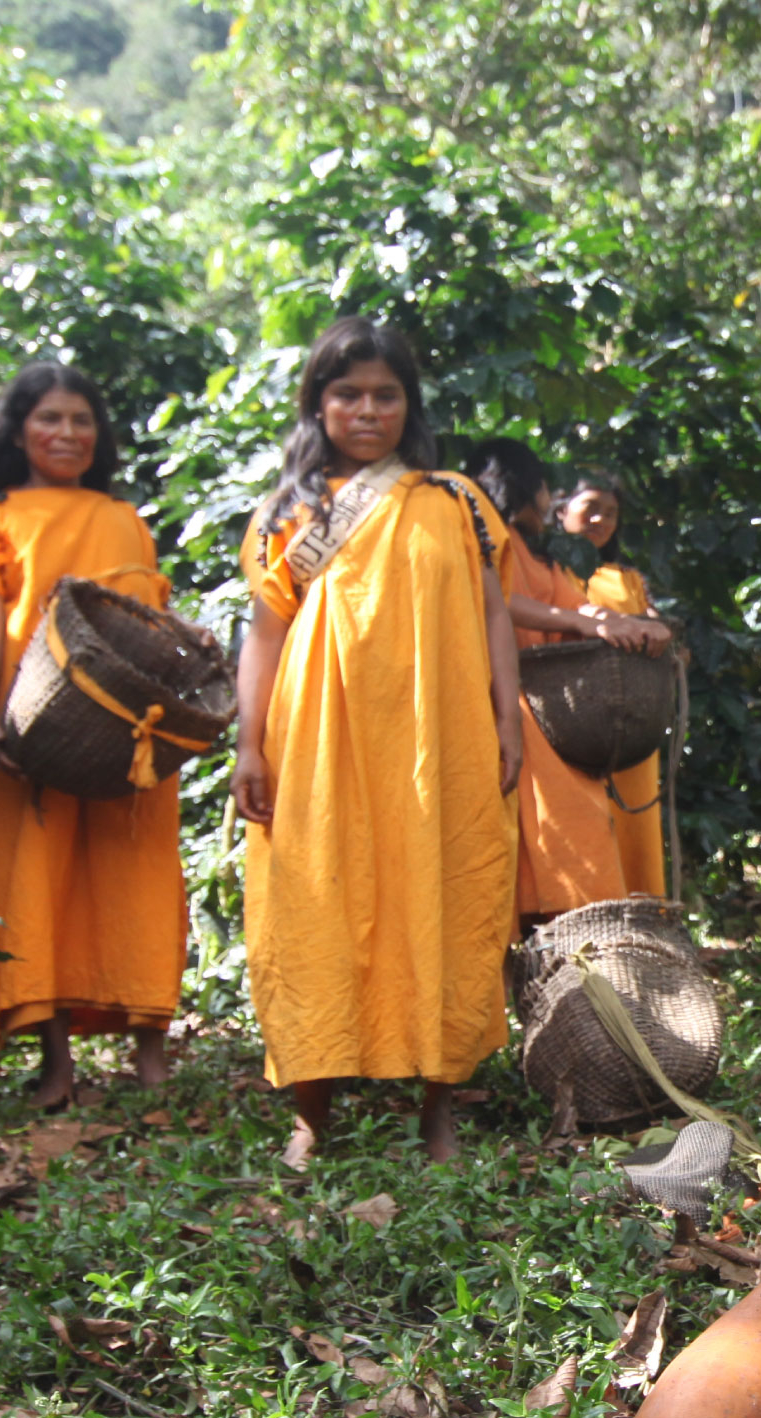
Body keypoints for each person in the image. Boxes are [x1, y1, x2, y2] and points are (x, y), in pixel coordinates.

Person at [233, 319, 525, 1167]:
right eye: (347, 393)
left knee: (443, 893)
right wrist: (248, 747)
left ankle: (437, 1103)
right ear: (317, 405)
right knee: (313, 903)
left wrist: (508, 720)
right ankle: (312, 1110)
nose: (367, 409)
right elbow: (263, 633)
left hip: (442, 737)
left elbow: (492, 615)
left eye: (385, 394)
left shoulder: (455, 500)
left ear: (410, 404)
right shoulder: (288, 512)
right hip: (320, 745)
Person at [0, 362, 188, 1107]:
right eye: (50, 418)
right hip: (25, 713)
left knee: (128, 867)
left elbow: (146, 623)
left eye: (81, 420)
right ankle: (57, 1061)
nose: (67, 433)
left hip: (123, 719)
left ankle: (150, 1053)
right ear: (18, 430)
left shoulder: (123, 516)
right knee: (38, 876)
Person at [468, 438, 672, 921]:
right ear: (524, 487)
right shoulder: (485, 536)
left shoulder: (541, 554)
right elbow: (497, 602)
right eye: (545, 490)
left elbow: (579, 606)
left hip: (554, 713)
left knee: (577, 828)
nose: (549, 502)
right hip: (505, 703)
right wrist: (589, 623)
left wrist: (633, 625)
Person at [555, 472, 671, 897]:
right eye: (590, 508)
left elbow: (654, 625)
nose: (601, 519)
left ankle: (640, 915)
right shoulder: (546, 567)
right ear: (561, 509)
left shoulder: (626, 578)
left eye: (611, 512)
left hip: (631, 717)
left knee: (634, 818)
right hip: (567, 716)